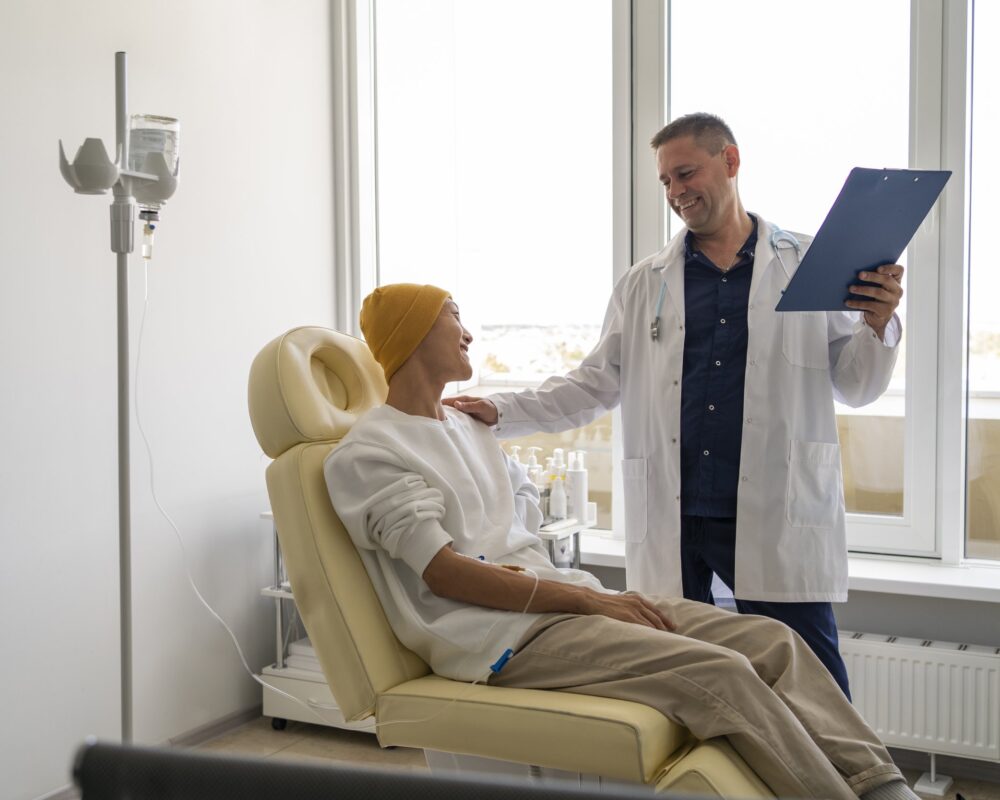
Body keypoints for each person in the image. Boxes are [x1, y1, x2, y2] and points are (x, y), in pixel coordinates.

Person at [324, 282, 917, 800]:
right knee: (723, 674)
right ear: (415, 331)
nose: (470, 334)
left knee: (774, 642)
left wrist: (584, 595)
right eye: (454, 315)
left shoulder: (469, 426)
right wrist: (590, 600)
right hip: (498, 637)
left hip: (559, 602)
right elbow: (445, 574)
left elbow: (520, 512)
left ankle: (882, 788)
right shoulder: (371, 451)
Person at [445, 113, 904, 698]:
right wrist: (502, 409)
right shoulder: (644, 283)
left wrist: (879, 324)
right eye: (665, 181)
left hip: (775, 510)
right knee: (686, 671)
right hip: (677, 513)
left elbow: (857, 385)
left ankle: (852, 785)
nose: (676, 192)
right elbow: (592, 384)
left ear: (730, 162)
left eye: (686, 173)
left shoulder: (807, 264)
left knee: (812, 675)